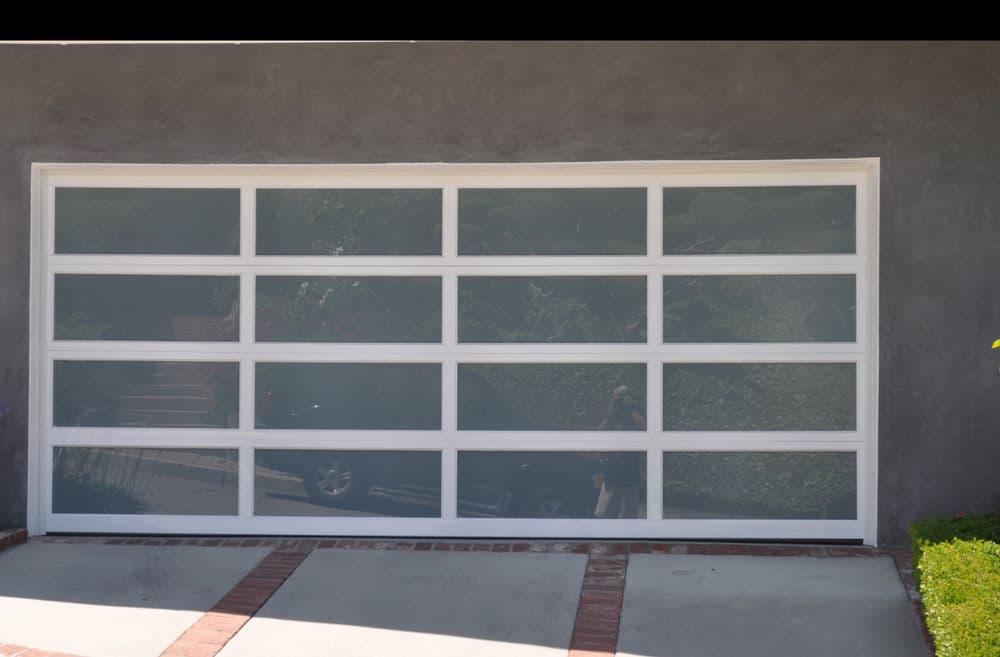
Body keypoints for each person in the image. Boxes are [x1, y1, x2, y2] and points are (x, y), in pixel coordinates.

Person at [594, 385, 645, 519]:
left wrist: (629, 411)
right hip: (611, 477)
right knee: (607, 517)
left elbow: (644, 433)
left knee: (630, 518)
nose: (619, 402)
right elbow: (599, 435)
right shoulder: (611, 417)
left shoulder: (635, 416)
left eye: (622, 398)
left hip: (631, 477)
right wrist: (610, 413)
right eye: (616, 399)